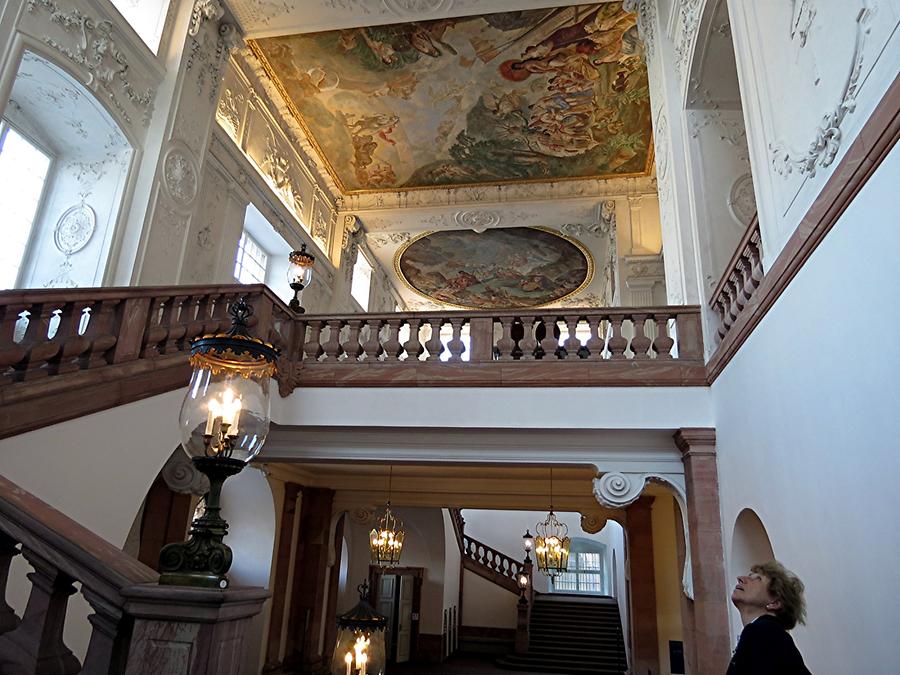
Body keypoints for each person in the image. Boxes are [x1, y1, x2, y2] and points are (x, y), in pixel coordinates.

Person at [727, 560, 812, 674]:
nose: (740, 578)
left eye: (757, 579)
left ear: (775, 603)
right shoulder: (769, 634)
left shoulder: (763, 632)